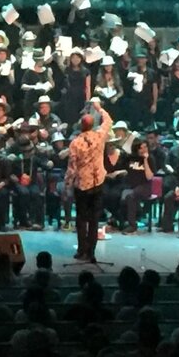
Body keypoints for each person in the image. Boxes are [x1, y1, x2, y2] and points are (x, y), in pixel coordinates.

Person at [63, 99, 112, 262]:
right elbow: (109, 121)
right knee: (94, 219)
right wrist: (99, 109)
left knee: (81, 218)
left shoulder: (75, 143)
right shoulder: (99, 136)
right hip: (98, 183)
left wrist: (67, 186)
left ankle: (82, 250)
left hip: (82, 185)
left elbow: (72, 168)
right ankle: (91, 252)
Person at [118, 137, 156, 235]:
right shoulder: (130, 158)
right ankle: (119, 222)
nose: (144, 150)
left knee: (131, 196)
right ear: (136, 149)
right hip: (131, 185)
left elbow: (149, 177)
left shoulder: (150, 159)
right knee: (117, 194)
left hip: (145, 186)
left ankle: (132, 225)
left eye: (145, 147)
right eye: (141, 148)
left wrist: (145, 160)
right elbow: (121, 167)